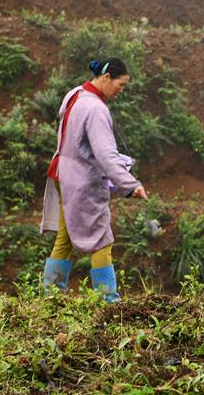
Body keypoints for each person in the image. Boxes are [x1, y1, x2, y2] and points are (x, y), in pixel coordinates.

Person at [40, 58, 148, 302]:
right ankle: (108, 300)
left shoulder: (75, 94)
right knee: (101, 238)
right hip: (81, 182)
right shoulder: (96, 109)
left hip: (62, 174)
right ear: (106, 78)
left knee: (65, 237)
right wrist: (130, 184)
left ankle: (51, 296)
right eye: (120, 85)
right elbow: (106, 154)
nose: (121, 91)